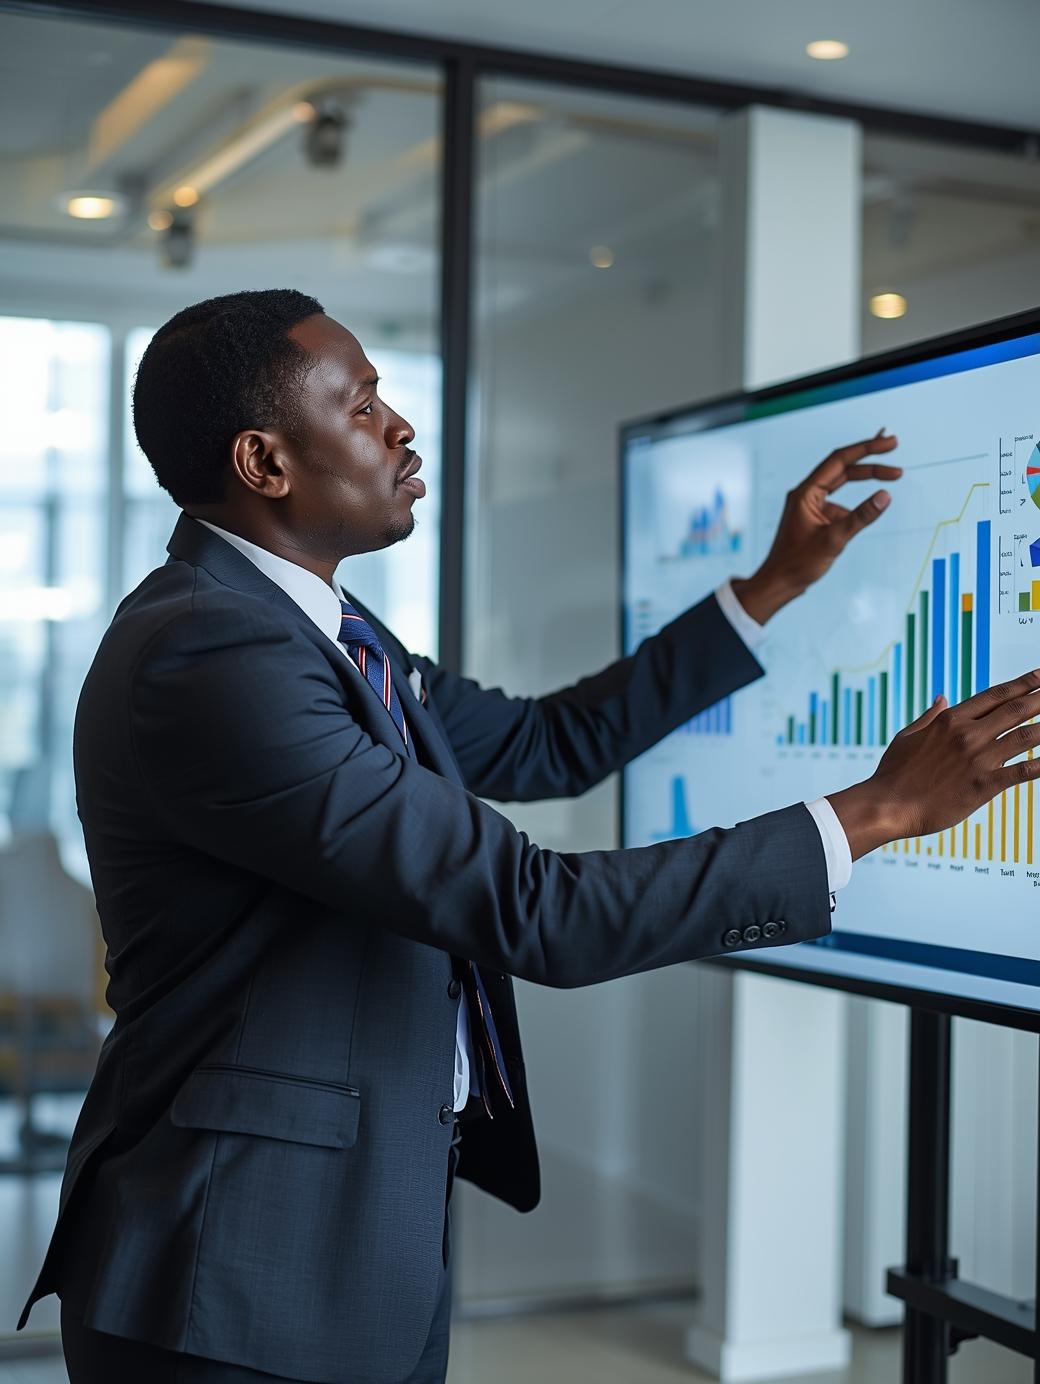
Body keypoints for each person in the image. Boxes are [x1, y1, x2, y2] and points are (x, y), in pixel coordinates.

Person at [19, 289, 1040, 1384]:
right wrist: (875, 811)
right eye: (362, 406)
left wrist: (768, 586)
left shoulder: (324, 634)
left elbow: (553, 742)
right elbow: (536, 911)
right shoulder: (215, 658)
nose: (400, 428)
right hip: (232, 1278)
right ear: (264, 462)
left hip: (357, 1241)